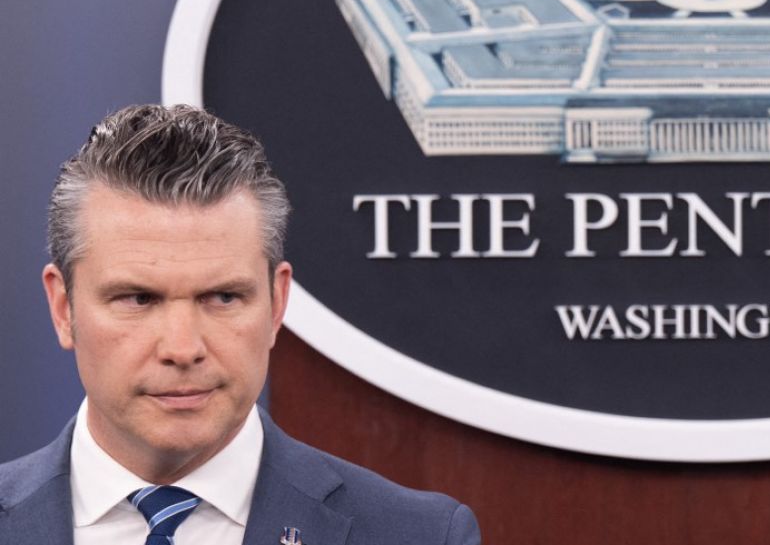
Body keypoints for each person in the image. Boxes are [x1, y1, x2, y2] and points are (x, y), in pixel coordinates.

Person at [0, 105, 480, 545]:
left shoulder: (422, 536)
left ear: (276, 303)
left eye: (223, 297)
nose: (182, 348)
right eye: (139, 299)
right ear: (63, 308)